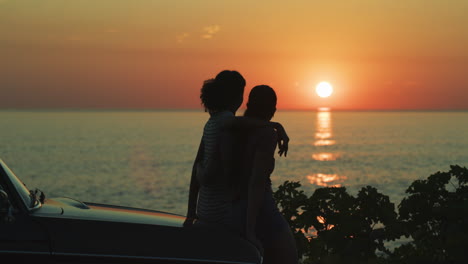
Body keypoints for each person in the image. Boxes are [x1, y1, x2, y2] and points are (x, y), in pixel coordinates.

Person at [184, 71, 289, 242]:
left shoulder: (211, 123)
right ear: (237, 97)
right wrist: (275, 125)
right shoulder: (225, 121)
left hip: (204, 210)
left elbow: (198, 169)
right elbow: (234, 123)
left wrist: (191, 212)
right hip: (222, 212)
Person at [242, 85, 298, 264]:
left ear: (248, 104)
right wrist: (249, 228)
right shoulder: (266, 134)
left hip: (235, 206)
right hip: (262, 210)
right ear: (273, 109)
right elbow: (257, 183)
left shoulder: (233, 129)